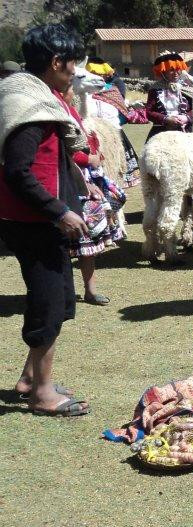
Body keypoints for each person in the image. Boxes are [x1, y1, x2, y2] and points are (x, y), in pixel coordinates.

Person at [0, 23, 91, 416]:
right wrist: (59, 210)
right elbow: (18, 171)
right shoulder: (31, 109)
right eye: (72, 64)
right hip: (33, 222)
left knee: (60, 299)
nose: (74, 72)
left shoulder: (37, 98)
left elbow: (47, 161)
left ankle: (31, 379)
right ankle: (42, 395)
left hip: (39, 220)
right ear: (56, 62)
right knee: (48, 303)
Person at [62, 84, 126, 307]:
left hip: (84, 179)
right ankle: (63, 292)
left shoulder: (72, 113)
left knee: (86, 239)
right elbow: (66, 151)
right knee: (63, 242)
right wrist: (88, 160)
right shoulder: (55, 114)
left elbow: (84, 146)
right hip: (65, 181)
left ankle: (90, 291)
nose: (71, 90)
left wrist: (92, 159)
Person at [84, 57, 141, 187]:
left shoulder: (112, 91)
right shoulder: (83, 93)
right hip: (93, 136)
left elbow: (122, 113)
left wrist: (112, 126)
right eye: (94, 74)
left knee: (117, 172)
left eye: (101, 74)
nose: (98, 77)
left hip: (115, 134)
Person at [145, 51, 191, 140]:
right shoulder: (155, 89)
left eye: (178, 69)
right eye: (171, 70)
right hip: (161, 132)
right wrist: (166, 119)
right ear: (163, 71)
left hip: (185, 131)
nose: (176, 73)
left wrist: (186, 117)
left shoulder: (187, 88)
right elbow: (149, 112)